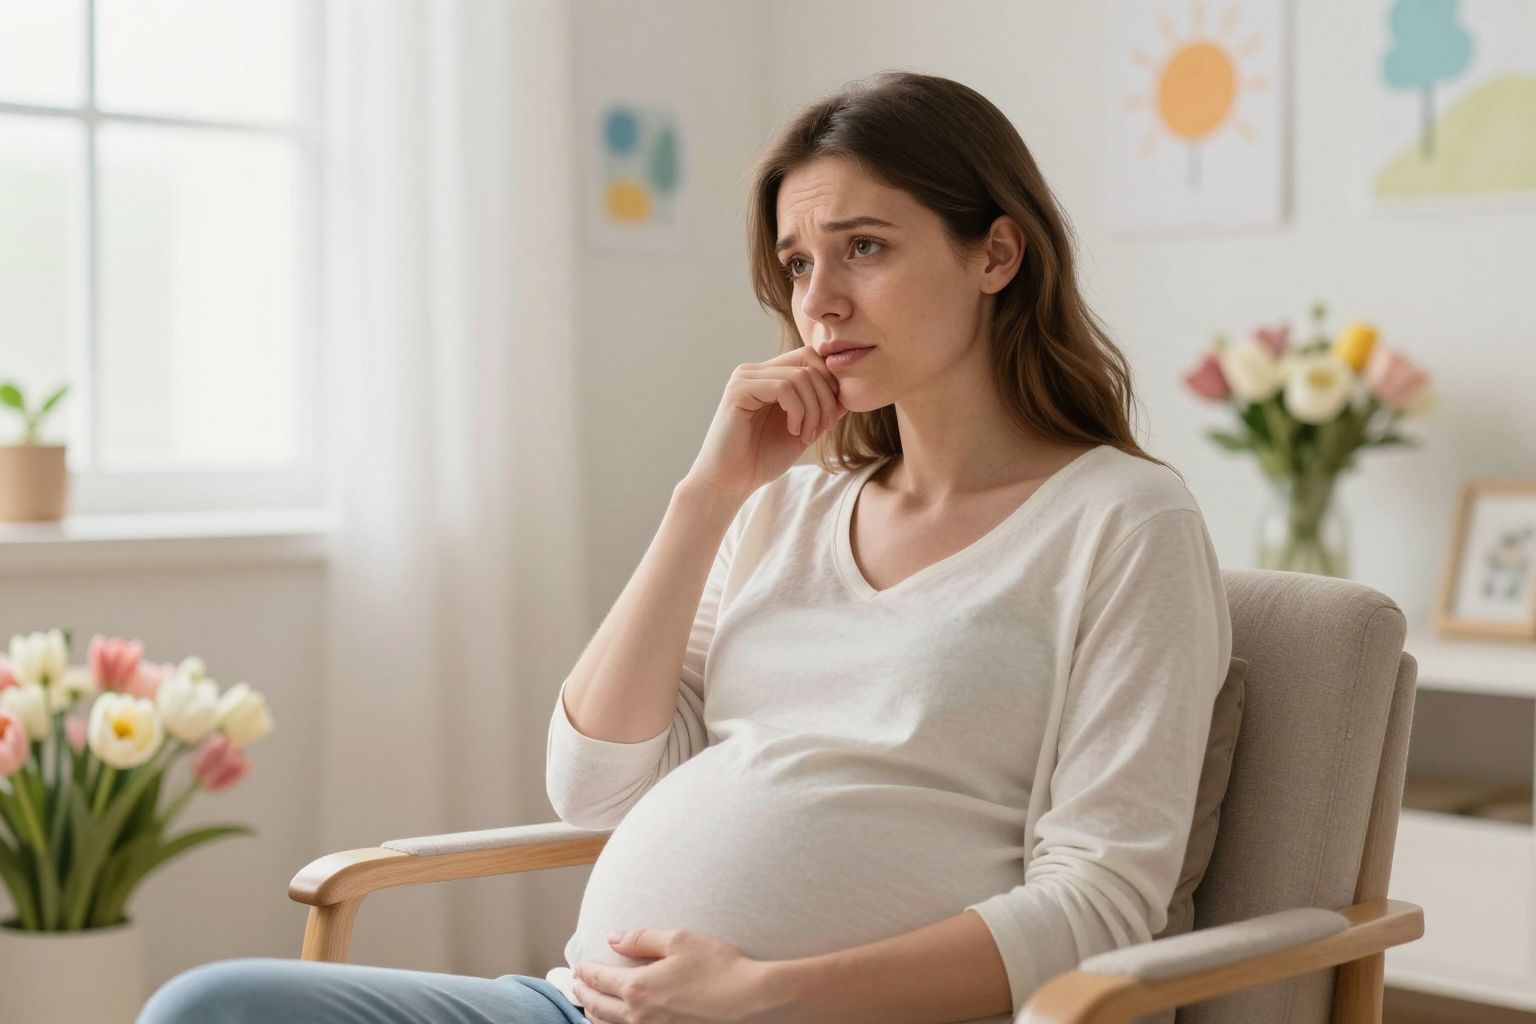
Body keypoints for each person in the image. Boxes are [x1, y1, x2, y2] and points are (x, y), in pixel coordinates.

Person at [139, 69, 1230, 1024]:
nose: (822, 303)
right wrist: (704, 498)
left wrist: (766, 995)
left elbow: (1099, 901)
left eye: (865, 248)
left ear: (996, 252)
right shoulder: (781, 514)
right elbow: (597, 791)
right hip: (576, 1004)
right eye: (798, 264)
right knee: (211, 1006)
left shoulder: (1122, 522)